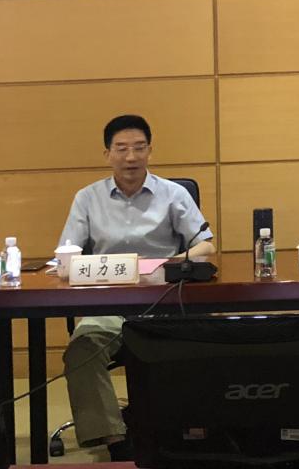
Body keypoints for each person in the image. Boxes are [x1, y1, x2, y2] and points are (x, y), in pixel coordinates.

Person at [58, 114, 214, 461]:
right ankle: (115, 440)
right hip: (108, 307)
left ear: (150, 151)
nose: (131, 157)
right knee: (82, 348)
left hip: (164, 303)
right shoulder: (87, 198)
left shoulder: (173, 194)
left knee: (207, 341)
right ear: (107, 154)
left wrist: (168, 263)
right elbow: (68, 252)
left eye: (139, 148)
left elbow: (205, 245)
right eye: (122, 149)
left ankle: (193, 431)